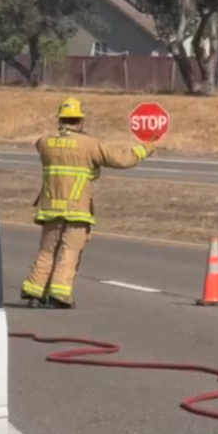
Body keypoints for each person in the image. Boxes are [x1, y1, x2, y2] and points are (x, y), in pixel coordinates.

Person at [20, 97, 158, 309]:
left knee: (46, 251)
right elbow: (122, 160)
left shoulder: (44, 142)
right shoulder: (89, 145)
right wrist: (146, 148)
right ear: (80, 121)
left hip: (49, 209)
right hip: (77, 210)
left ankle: (34, 290)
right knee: (69, 251)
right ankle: (59, 293)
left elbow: (51, 150)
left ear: (60, 119)